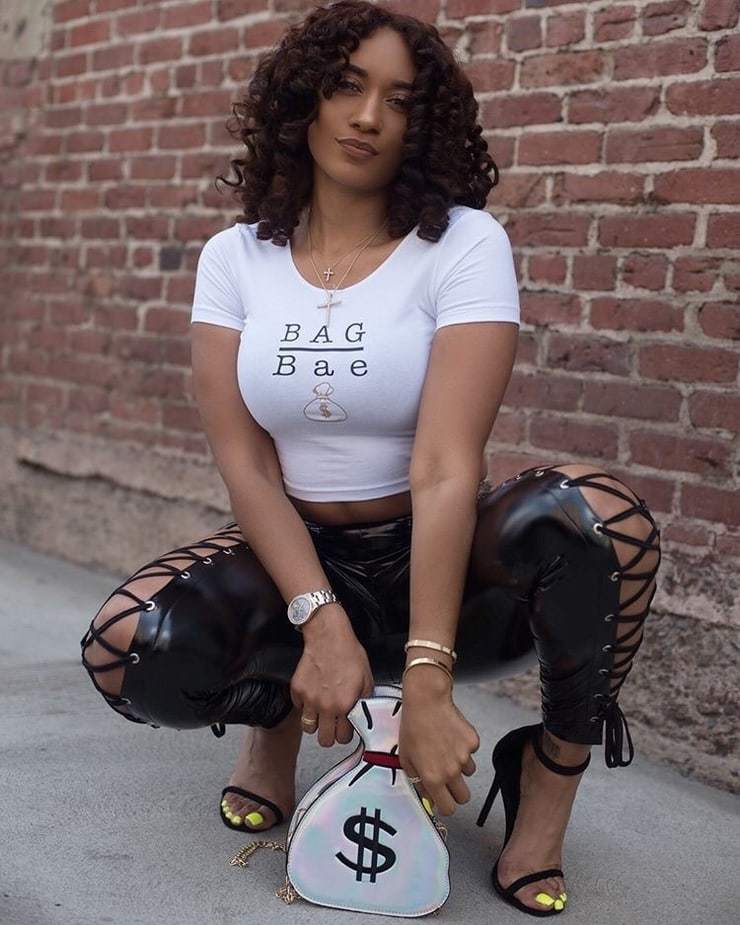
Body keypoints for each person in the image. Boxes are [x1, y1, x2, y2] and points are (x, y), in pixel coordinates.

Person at [79, 1, 662, 917]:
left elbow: (446, 463)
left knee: (599, 518)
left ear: (422, 124)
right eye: (347, 86)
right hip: (300, 560)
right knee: (126, 644)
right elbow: (247, 464)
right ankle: (277, 711)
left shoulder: (463, 242)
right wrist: (318, 621)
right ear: (302, 101)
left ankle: (547, 782)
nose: (367, 117)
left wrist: (428, 672)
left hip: (440, 562)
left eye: (399, 99)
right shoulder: (234, 258)